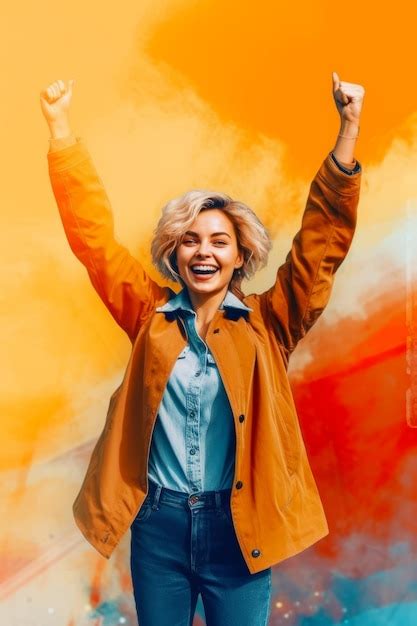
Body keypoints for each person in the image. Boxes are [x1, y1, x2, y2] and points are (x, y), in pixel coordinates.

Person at [40, 73, 364, 626]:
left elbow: (318, 247)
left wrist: (348, 131)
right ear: (174, 253)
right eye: (190, 240)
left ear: (241, 255)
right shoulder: (149, 317)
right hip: (159, 526)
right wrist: (60, 130)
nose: (203, 251)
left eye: (219, 241)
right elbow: (94, 243)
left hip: (239, 528)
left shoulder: (270, 322)